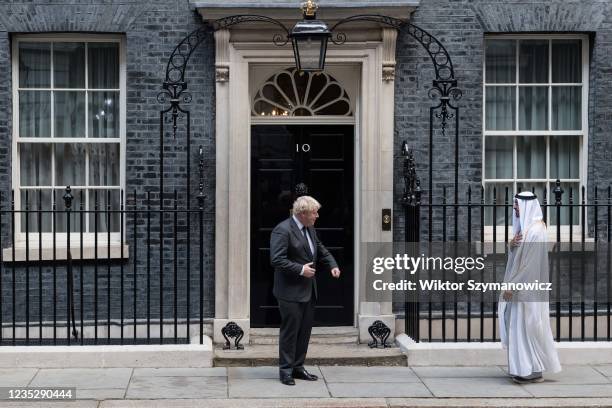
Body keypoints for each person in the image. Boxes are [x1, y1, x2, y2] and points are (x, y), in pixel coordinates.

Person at [270, 195, 341, 386]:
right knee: (290, 332)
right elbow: (276, 259)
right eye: (314, 212)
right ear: (303, 213)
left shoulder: (310, 228)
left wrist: (332, 264)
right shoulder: (282, 230)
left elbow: (320, 249)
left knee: (304, 332)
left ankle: (298, 367)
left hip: (308, 291)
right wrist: (301, 270)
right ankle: (285, 371)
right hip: (289, 292)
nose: (317, 215)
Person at [498, 191, 562, 384]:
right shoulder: (527, 229)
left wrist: (513, 285)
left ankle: (530, 371)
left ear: (527, 206)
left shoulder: (536, 230)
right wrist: (511, 244)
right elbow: (518, 257)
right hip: (521, 286)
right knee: (519, 327)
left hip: (528, 288)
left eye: (517, 205)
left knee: (530, 327)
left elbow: (531, 263)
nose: (514, 208)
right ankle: (526, 370)